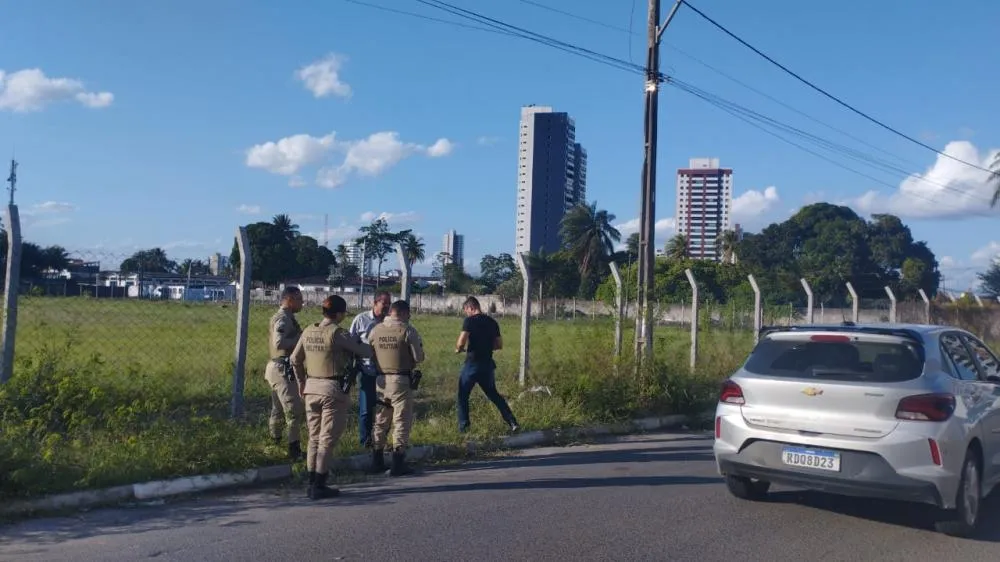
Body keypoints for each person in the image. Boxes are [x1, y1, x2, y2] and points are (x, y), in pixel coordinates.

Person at [290, 295, 373, 500]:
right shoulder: (338, 333)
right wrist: (361, 342)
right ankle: (320, 483)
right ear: (338, 314)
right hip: (332, 389)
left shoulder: (309, 330)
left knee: (313, 436)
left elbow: (294, 359)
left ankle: (311, 481)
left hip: (311, 388)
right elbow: (366, 351)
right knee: (327, 439)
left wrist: (301, 382)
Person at [370, 300, 425, 476]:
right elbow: (419, 357)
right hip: (400, 380)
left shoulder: (376, 329)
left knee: (380, 420)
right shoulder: (407, 330)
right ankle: (398, 462)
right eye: (408, 314)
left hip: (380, 380)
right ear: (403, 313)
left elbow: (369, 351)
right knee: (401, 420)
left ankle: (376, 460)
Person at [454, 296, 519, 434]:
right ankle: (512, 421)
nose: (467, 313)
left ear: (470, 308)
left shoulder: (469, 321)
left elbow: (461, 342)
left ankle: (464, 428)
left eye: (466, 310)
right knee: (493, 394)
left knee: (463, 395)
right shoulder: (492, 322)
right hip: (487, 364)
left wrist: (459, 349)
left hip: (472, 364)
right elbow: (499, 344)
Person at [349, 291, 392, 459]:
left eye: (389, 305)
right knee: (366, 409)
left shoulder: (389, 323)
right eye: (384, 305)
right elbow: (352, 342)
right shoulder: (361, 320)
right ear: (375, 303)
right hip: (366, 370)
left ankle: (380, 441)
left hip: (385, 373)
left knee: (385, 408)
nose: (386, 309)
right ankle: (365, 441)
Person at [266, 286, 306, 460]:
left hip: (281, 368)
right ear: (289, 299)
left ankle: (275, 442)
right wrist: (301, 338)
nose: (302, 303)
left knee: (279, 409)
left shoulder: (288, 318)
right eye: (299, 299)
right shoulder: (283, 319)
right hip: (282, 369)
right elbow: (279, 343)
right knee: (293, 410)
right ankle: (294, 450)